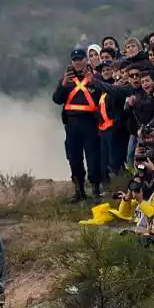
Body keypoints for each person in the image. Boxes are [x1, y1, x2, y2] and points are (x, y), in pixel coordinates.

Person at [53, 49, 102, 203]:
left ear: (85, 60)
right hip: (72, 123)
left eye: (80, 59)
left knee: (93, 156)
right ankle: (79, 189)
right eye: (74, 60)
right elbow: (57, 99)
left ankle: (95, 189)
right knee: (74, 158)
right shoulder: (66, 80)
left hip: (90, 122)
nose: (77, 62)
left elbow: (101, 95)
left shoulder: (94, 77)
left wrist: (93, 81)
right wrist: (63, 84)